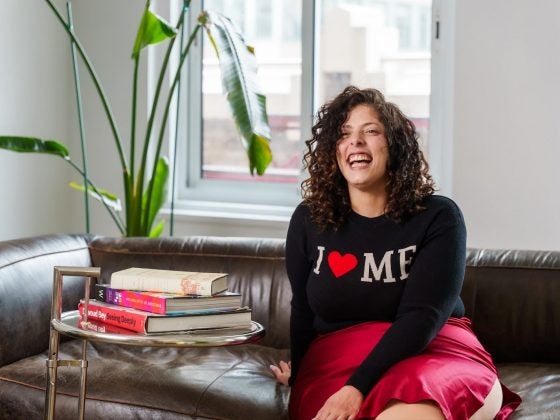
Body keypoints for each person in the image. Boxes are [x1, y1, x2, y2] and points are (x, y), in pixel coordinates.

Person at [270, 86, 521, 420]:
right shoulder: (308, 220)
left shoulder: (439, 217)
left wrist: (356, 388)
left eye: (371, 131)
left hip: (435, 347)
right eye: (344, 134)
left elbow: (423, 316)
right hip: (337, 355)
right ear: (333, 150)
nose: (356, 142)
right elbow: (302, 310)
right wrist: (300, 375)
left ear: (394, 145)